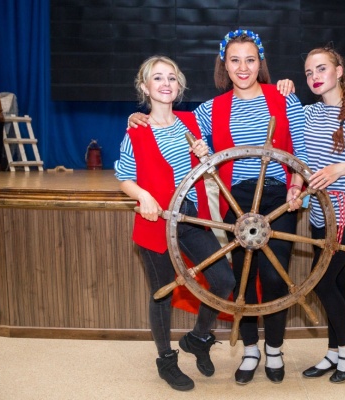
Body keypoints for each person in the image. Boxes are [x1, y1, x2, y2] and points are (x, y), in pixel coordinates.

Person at [129, 29, 308, 385]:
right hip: (236, 201)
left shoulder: (284, 97)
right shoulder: (211, 109)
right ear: (224, 65)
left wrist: (297, 185)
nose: (243, 67)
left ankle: (274, 349)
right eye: (235, 60)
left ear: (260, 63)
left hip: (278, 198)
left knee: (275, 277)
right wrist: (138, 117)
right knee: (243, 278)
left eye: (250, 60)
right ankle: (251, 350)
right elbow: (174, 122)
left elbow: (300, 150)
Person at [114, 55, 235, 391]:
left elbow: (206, 168)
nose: (165, 84)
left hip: (189, 216)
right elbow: (123, 176)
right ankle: (166, 361)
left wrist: (205, 154)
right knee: (162, 293)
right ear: (145, 87)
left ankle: (198, 338)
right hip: (154, 222)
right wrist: (143, 196)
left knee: (223, 280)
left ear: (179, 86)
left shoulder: (190, 123)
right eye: (158, 78)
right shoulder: (136, 130)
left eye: (171, 78)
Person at [278, 46, 345, 383]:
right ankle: (333, 352)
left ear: (339, 71)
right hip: (319, 215)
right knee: (336, 283)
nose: (314, 77)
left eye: (321, 69)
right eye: (308, 72)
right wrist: (296, 186)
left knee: (322, 282)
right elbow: (300, 157)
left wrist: (341, 168)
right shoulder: (308, 114)